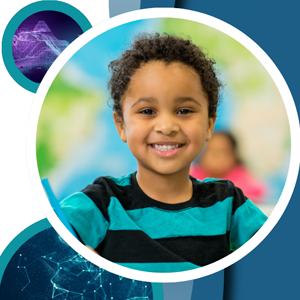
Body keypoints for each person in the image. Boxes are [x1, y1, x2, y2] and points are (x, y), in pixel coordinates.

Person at [60, 33, 267, 272]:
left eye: (184, 110)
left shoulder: (228, 204)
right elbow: (40, 244)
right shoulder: (101, 203)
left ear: (210, 124)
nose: (167, 126)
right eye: (147, 111)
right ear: (121, 125)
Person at [191, 131, 267, 203]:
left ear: (234, 156)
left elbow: (257, 192)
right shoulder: (195, 176)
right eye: (210, 151)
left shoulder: (240, 178)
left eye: (222, 152)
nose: (215, 156)